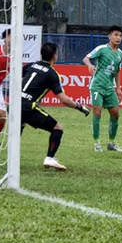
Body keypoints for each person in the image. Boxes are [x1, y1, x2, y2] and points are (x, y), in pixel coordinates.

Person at [21, 42, 91, 171]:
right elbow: (64, 100)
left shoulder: (30, 65)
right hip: (28, 108)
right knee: (57, 128)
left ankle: (10, 158)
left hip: (14, 105)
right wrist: (80, 107)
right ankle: (50, 158)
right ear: (54, 56)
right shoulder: (52, 74)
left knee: (19, 128)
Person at [83, 26, 122, 152]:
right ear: (109, 36)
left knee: (116, 114)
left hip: (109, 87)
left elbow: (118, 71)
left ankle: (111, 144)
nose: (118, 38)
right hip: (97, 86)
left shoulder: (120, 54)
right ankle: (96, 143)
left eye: (120, 36)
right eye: (116, 35)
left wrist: (118, 88)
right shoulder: (101, 49)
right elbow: (86, 58)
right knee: (97, 112)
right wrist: (89, 65)